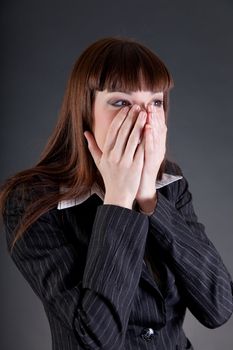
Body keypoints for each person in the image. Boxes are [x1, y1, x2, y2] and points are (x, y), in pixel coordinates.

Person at [1, 37, 232, 350]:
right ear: (84, 109)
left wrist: (149, 196)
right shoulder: (31, 200)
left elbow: (219, 308)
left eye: (155, 102)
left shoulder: (171, 185)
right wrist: (120, 200)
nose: (143, 119)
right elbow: (96, 336)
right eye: (121, 102)